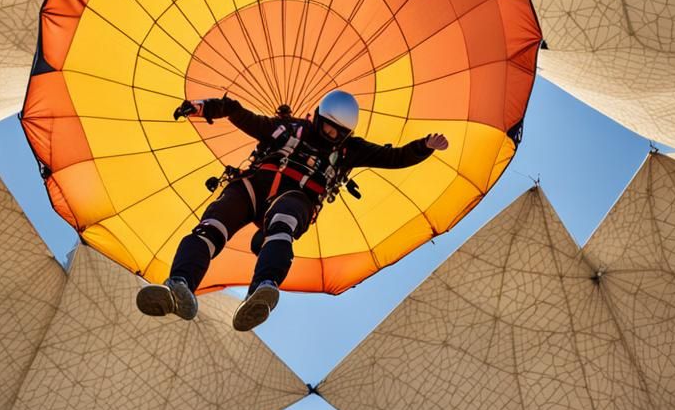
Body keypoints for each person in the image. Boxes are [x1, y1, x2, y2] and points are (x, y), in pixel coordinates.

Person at [135, 89, 449, 331]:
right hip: (253, 188)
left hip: (296, 198)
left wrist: (424, 146)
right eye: (327, 128)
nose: (330, 136)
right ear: (318, 117)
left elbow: (392, 157)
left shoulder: (349, 151)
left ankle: (262, 289)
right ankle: (179, 285)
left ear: (346, 134)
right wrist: (203, 107)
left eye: (337, 133)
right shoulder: (286, 129)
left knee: (282, 224)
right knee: (211, 227)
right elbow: (237, 112)